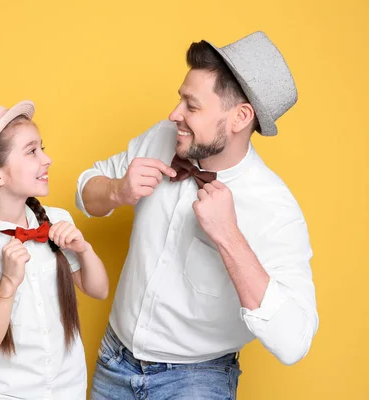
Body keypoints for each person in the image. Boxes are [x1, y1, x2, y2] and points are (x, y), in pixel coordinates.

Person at [76, 31, 319, 399]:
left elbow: (294, 340)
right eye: (180, 100)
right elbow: (84, 190)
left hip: (197, 382)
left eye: (192, 106)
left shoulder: (274, 208)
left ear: (239, 117)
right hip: (115, 360)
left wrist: (229, 236)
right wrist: (116, 190)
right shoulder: (161, 138)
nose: (174, 115)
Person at [0, 99, 109, 399]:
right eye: (32, 151)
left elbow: (98, 289)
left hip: (66, 392)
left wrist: (83, 249)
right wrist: (7, 284)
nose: (47, 160)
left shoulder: (57, 221)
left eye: (41, 148)